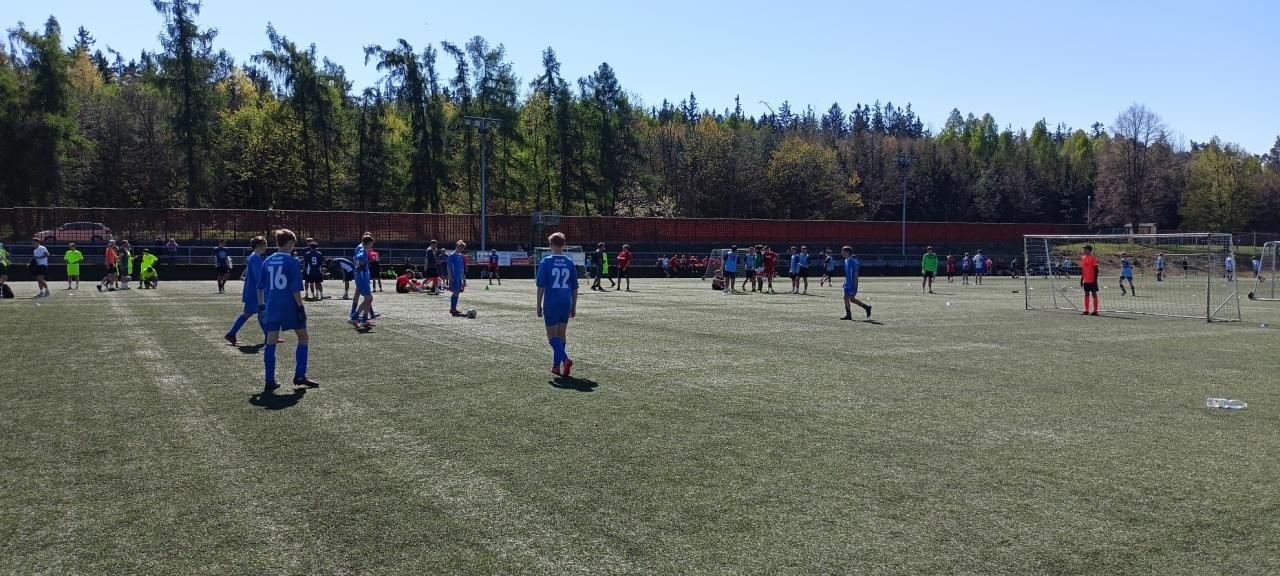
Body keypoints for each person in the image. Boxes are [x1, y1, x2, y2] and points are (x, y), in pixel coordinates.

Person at [259, 229, 318, 393]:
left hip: (272, 305)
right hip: (289, 305)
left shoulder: (267, 261)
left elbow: (260, 286)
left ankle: (269, 380)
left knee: (270, 341)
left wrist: (262, 306)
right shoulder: (292, 262)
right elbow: (294, 288)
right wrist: (300, 306)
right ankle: (300, 375)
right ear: (291, 244)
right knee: (303, 337)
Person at [536, 232, 580, 377]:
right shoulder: (569, 262)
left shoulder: (545, 262)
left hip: (552, 302)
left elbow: (541, 286)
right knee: (561, 335)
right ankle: (556, 367)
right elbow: (575, 287)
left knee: (552, 337)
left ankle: (565, 359)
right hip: (566, 301)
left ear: (551, 245)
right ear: (564, 245)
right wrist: (573, 306)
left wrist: (538, 305)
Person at [225, 236, 269, 346]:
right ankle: (231, 334)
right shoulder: (255, 258)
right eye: (265, 244)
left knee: (259, 313)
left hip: (254, 291)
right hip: (255, 292)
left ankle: (268, 337)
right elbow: (259, 277)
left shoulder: (255, 257)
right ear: (259, 245)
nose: (266, 246)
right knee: (255, 313)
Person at [351, 234, 376, 328]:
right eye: (372, 243)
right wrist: (362, 276)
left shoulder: (363, 252)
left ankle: (364, 319)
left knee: (369, 298)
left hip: (363, 278)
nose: (372, 246)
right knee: (368, 298)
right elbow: (359, 266)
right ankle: (354, 316)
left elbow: (355, 260)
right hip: (363, 279)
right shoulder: (362, 252)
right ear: (368, 243)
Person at [840, 246, 872, 320]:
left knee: (852, 299)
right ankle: (848, 315)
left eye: (843, 251)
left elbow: (855, 274)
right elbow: (847, 273)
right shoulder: (846, 261)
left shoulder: (853, 261)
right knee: (845, 298)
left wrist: (855, 285)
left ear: (847, 252)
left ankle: (867, 307)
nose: (841, 253)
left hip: (852, 284)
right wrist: (844, 281)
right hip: (847, 283)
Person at [448, 240, 467, 316]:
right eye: (460, 246)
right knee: (455, 292)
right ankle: (452, 309)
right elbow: (449, 267)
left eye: (462, 247)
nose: (461, 248)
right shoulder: (451, 255)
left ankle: (454, 308)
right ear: (456, 246)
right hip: (454, 276)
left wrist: (464, 278)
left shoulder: (461, 256)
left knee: (458, 292)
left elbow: (462, 268)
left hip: (459, 277)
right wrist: (450, 277)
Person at [1080, 244, 1100, 316]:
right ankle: (1086, 310)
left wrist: (1095, 280)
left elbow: (1096, 270)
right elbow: (1083, 270)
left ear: (1089, 250)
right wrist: (1082, 279)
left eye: (1085, 249)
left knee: (1094, 294)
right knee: (1086, 294)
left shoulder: (1093, 258)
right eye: (1083, 249)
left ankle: (1095, 311)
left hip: (1092, 280)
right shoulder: (1083, 258)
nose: (1083, 250)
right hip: (1086, 280)